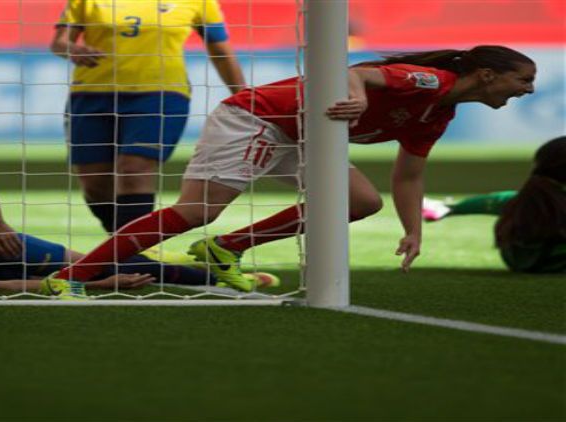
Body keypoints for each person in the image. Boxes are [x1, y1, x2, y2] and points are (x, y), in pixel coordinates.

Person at [44, 45, 536, 289]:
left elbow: (408, 176)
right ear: (488, 74)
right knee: (196, 211)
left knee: (359, 201)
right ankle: (72, 276)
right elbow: (354, 71)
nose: (529, 90)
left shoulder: (438, 114)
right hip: (258, 116)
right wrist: (358, 96)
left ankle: (226, 249)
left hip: (303, 134)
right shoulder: (430, 82)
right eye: (523, 80)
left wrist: (415, 231)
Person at [0, 175, 277, 299]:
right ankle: (199, 269)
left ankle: (219, 275)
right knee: (101, 274)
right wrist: (92, 288)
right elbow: (7, 287)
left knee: (109, 262)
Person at [50, 0, 245, 234]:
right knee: (94, 184)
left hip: (160, 94)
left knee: (134, 168)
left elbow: (221, 51)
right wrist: (73, 49)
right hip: (91, 93)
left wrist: (243, 96)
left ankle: (133, 255)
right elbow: (59, 43)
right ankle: (123, 249)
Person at [422, 136, 565, 273]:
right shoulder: (541, 201)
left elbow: (492, 201)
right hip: (554, 262)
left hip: (519, 262)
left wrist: (452, 208)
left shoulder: (524, 199)